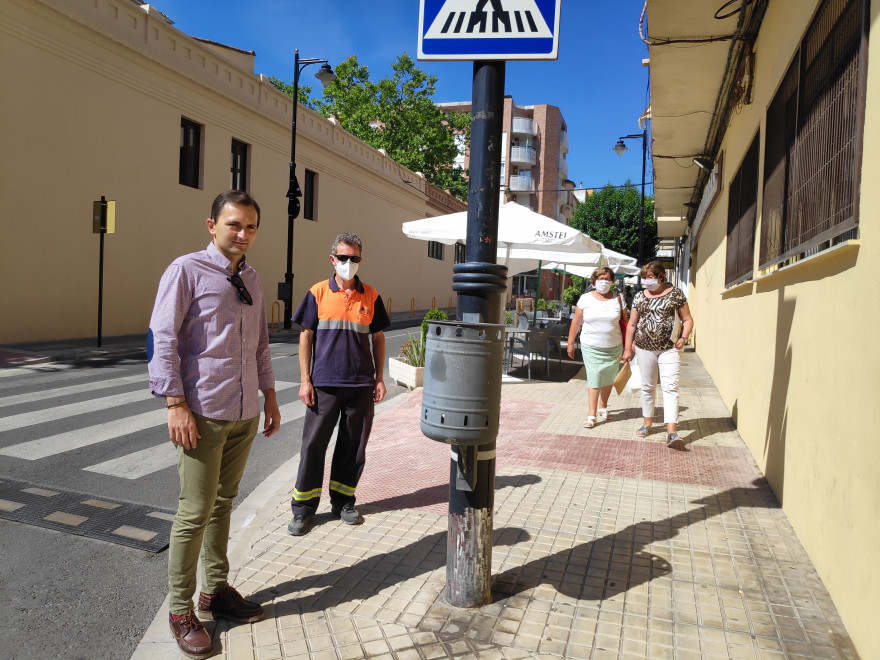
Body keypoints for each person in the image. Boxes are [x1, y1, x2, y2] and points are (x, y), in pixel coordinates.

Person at [148, 190, 281, 660]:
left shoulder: (252, 277)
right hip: (201, 410)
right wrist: (174, 402)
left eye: (250, 227)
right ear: (212, 225)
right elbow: (162, 335)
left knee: (223, 503)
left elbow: (261, 340)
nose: (242, 234)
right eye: (234, 225)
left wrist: (269, 395)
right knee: (194, 511)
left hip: (243, 410)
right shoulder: (186, 270)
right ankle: (181, 610)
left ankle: (215, 591)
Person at [287, 232, 390, 536]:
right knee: (313, 447)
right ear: (332, 259)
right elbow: (305, 337)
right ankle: (303, 509)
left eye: (354, 258)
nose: (348, 263)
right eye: (343, 257)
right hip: (325, 386)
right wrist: (305, 381)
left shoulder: (371, 295)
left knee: (353, 448)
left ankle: (343, 502)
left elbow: (378, 338)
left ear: (360, 260)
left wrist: (379, 378)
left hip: (360, 386)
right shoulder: (317, 293)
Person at [622, 261, 694, 448]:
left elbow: (687, 319)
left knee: (670, 387)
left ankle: (672, 432)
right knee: (647, 386)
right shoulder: (639, 296)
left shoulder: (676, 294)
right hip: (644, 348)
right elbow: (631, 324)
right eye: (644, 278)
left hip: (670, 348)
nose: (647, 281)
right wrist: (628, 349)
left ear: (661, 276)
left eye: (650, 277)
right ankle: (647, 424)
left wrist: (684, 337)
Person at [567, 266, 628, 428]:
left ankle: (603, 406)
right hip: (591, 346)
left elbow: (627, 323)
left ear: (612, 281)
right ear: (594, 281)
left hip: (614, 347)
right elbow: (576, 321)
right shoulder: (585, 298)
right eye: (600, 279)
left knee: (608, 378)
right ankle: (591, 414)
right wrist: (570, 343)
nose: (604, 282)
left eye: (607, 279)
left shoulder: (618, 298)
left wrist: (629, 346)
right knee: (595, 378)